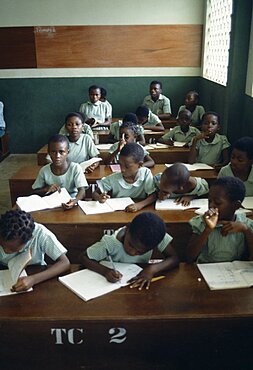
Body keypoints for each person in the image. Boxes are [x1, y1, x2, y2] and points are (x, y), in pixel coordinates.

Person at [80, 212, 179, 290]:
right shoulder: (111, 243)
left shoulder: (156, 237)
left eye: (140, 252)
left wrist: (152, 269)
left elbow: (174, 258)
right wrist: (105, 271)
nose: (132, 252)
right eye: (131, 245)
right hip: (110, 286)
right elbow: (83, 257)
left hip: (135, 285)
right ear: (127, 229)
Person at [186, 177, 253, 263]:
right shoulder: (201, 222)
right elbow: (190, 257)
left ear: (236, 205)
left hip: (235, 272)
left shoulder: (245, 224)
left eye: (217, 203)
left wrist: (246, 230)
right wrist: (207, 230)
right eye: (209, 201)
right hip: (205, 270)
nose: (211, 206)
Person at [0, 210, 70, 292]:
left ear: (29, 239)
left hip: (35, 273)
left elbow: (65, 263)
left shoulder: (41, 234)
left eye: (12, 249)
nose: (5, 251)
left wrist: (34, 279)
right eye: (2, 245)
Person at [92, 143, 156, 212]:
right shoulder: (114, 178)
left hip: (139, 211)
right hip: (119, 213)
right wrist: (99, 198)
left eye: (127, 166)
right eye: (120, 164)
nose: (122, 169)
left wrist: (139, 205)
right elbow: (95, 193)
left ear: (140, 165)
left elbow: (153, 196)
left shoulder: (145, 173)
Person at [32, 134, 88, 210]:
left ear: (68, 152)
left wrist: (74, 201)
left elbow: (82, 191)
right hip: (51, 205)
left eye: (61, 152)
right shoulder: (44, 170)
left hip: (72, 203)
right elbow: (34, 191)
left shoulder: (75, 168)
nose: (57, 156)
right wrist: (46, 189)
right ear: (49, 152)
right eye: (53, 152)